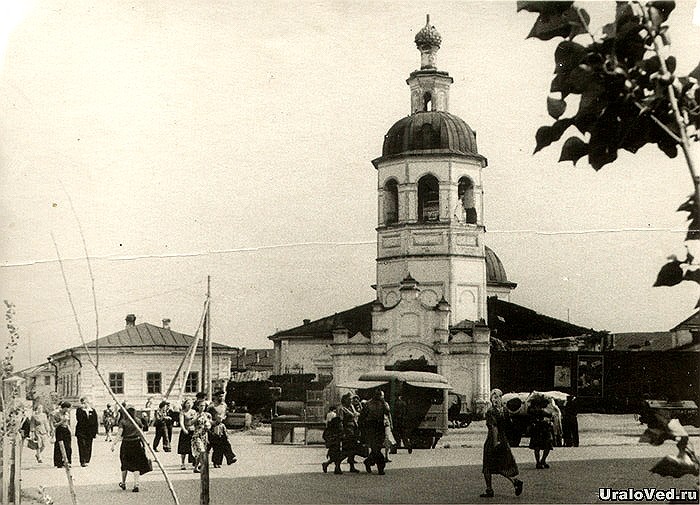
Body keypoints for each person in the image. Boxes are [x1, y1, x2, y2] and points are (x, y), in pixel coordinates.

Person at [481, 389, 523, 498]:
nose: (495, 399)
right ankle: (515, 481)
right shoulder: (505, 410)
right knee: (501, 465)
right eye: (494, 397)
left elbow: (493, 427)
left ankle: (489, 489)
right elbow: (509, 426)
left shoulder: (491, 412)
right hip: (504, 439)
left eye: (497, 397)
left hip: (493, 440)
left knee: (487, 466)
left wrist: (495, 442)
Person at [111, 406, 151, 493]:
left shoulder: (123, 422)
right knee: (136, 464)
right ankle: (136, 484)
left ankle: (123, 483)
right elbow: (141, 433)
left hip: (126, 444)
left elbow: (119, 434)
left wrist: (114, 443)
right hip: (136, 443)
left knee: (124, 463)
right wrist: (146, 442)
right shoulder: (137, 421)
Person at [359, 389, 390, 475]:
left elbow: (387, 412)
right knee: (375, 448)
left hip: (380, 427)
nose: (378, 396)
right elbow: (362, 417)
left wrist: (383, 402)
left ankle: (368, 461)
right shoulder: (368, 404)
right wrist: (363, 430)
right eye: (377, 395)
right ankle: (381, 467)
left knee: (377, 448)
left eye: (379, 395)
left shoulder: (382, 404)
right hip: (371, 427)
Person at [207, 390, 236, 467]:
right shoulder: (211, 406)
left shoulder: (224, 405)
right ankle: (216, 462)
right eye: (219, 396)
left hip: (221, 427)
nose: (221, 398)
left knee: (225, 442)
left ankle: (228, 458)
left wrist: (223, 418)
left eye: (222, 396)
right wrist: (212, 422)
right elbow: (206, 416)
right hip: (212, 427)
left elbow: (226, 414)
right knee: (216, 445)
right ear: (216, 397)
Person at [528, 394, 554, 469]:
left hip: (537, 430)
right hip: (542, 429)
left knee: (538, 447)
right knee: (546, 446)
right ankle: (542, 461)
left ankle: (539, 462)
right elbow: (550, 414)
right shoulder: (540, 411)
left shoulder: (531, 410)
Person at [338, 393, 361, 473]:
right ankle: (337, 466)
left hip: (354, 430)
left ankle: (352, 466)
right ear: (345, 400)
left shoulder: (351, 407)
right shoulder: (342, 409)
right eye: (349, 399)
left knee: (352, 449)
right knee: (346, 450)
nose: (351, 401)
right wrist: (342, 432)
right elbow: (340, 421)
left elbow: (356, 416)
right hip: (347, 431)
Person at [75, 396, 99, 467]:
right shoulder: (79, 410)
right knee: (82, 445)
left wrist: (95, 432)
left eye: (86, 402)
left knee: (89, 445)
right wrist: (83, 410)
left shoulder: (92, 410)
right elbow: (79, 419)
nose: (85, 404)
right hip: (81, 431)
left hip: (90, 432)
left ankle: (87, 459)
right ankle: (82, 461)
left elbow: (95, 422)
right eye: (83, 403)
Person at [191, 400, 212, 473]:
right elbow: (191, 422)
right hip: (197, 435)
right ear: (197, 406)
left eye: (204, 406)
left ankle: (196, 467)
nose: (202, 407)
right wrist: (197, 418)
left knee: (201, 452)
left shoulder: (207, 415)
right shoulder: (195, 414)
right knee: (201, 450)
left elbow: (210, 423)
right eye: (201, 406)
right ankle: (203, 466)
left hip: (204, 435)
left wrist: (208, 426)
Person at [51, 401, 72, 468]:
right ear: (65, 408)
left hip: (66, 430)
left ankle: (67, 461)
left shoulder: (67, 414)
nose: (68, 409)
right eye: (68, 408)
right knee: (59, 446)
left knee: (68, 446)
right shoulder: (57, 414)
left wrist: (70, 430)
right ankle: (58, 462)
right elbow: (55, 425)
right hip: (60, 430)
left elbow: (68, 423)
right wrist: (62, 421)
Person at [177, 399, 197, 470]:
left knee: (194, 447)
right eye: (188, 403)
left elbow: (195, 421)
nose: (189, 405)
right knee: (183, 449)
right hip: (185, 431)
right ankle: (182, 463)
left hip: (193, 431)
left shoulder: (194, 412)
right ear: (185, 404)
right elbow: (181, 422)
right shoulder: (182, 412)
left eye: (191, 403)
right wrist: (184, 429)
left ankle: (195, 463)